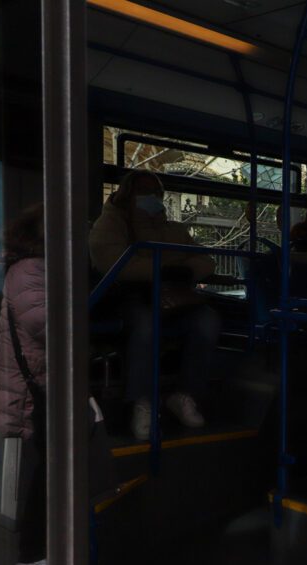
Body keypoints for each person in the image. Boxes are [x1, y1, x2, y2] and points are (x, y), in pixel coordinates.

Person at [90, 170, 221, 440]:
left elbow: (206, 261)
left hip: (172, 297)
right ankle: (141, 401)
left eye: (155, 192)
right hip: (128, 297)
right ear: (129, 194)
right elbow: (113, 263)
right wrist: (166, 269)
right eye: (144, 191)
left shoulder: (173, 229)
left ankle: (186, 394)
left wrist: (182, 274)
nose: (151, 197)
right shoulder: (112, 224)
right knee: (147, 324)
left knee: (207, 320)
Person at [0, 205, 47, 565]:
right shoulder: (31, 269)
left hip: (35, 383)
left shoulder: (31, 267)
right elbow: (44, 323)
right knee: (40, 474)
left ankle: (38, 549)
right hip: (33, 389)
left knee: (42, 470)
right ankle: (32, 553)